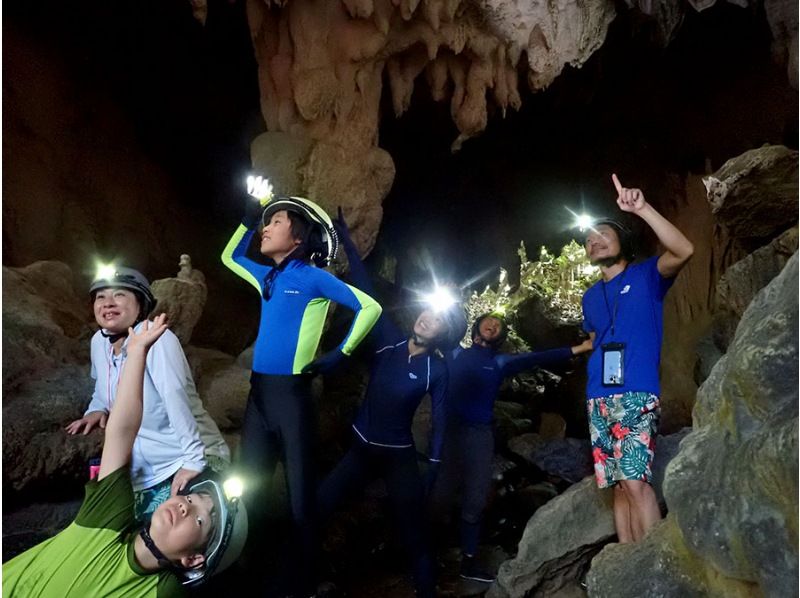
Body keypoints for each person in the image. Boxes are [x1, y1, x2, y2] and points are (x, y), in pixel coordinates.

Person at [4, 315, 248, 597]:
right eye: (191, 499)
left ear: (192, 560)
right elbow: (120, 432)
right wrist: (137, 353)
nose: (185, 507)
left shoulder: (160, 591)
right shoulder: (106, 518)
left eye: (200, 520)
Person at [220, 178, 382, 596]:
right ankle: (246, 578)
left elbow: (369, 307)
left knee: (300, 499)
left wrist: (340, 354)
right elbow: (229, 256)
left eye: (275, 221)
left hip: (293, 398)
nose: (266, 228)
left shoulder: (311, 277)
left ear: (297, 237)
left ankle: (304, 583)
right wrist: (247, 217)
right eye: (266, 221)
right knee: (247, 491)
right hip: (260, 397)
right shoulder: (267, 278)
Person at [316, 209, 468, 598]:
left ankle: (427, 590)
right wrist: (346, 237)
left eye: (437, 319)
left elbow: (442, 417)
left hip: (397, 457)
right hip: (360, 450)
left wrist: (433, 466)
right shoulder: (389, 339)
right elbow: (365, 288)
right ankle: (294, 579)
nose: (426, 318)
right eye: (426, 311)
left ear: (444, 333)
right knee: (318, 505)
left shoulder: (438, 371)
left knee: (415, 531)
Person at [430, 313, 593, 583]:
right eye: (488, 322)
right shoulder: (454, 352)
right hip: (449, 433)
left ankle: (468, 563)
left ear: (500, 337)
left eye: (498, 326)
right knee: (439, 496)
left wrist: (581, 347)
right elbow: (434, 331)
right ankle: (427, 555)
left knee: (476, 498)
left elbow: (538, 357)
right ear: (476, 328)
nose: (493, 325)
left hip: (479, 436)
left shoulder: (499, 362)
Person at [66, 267, 231, 522]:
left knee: (178, 534)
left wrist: (194, 461)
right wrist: (95, 409)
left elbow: (175, 397)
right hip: (141, 470)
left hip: (184, 457)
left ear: (140, 304)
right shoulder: (99, 343)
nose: (108, 303)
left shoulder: (158, 340)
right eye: (100, 297)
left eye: (119, 295)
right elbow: (104, 388)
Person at [581, 174, 693, 543]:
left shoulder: (647, 275)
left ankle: (654, 567)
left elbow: (684, 250)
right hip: (598, 395)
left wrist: (642, 208)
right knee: (617, 486)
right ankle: (627, 565)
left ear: (623, 242)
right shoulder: (590, 297)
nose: (594, 240)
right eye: (589, 239)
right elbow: (596, 339)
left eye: (602, 234)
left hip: (635, 392)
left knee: (635, 481)